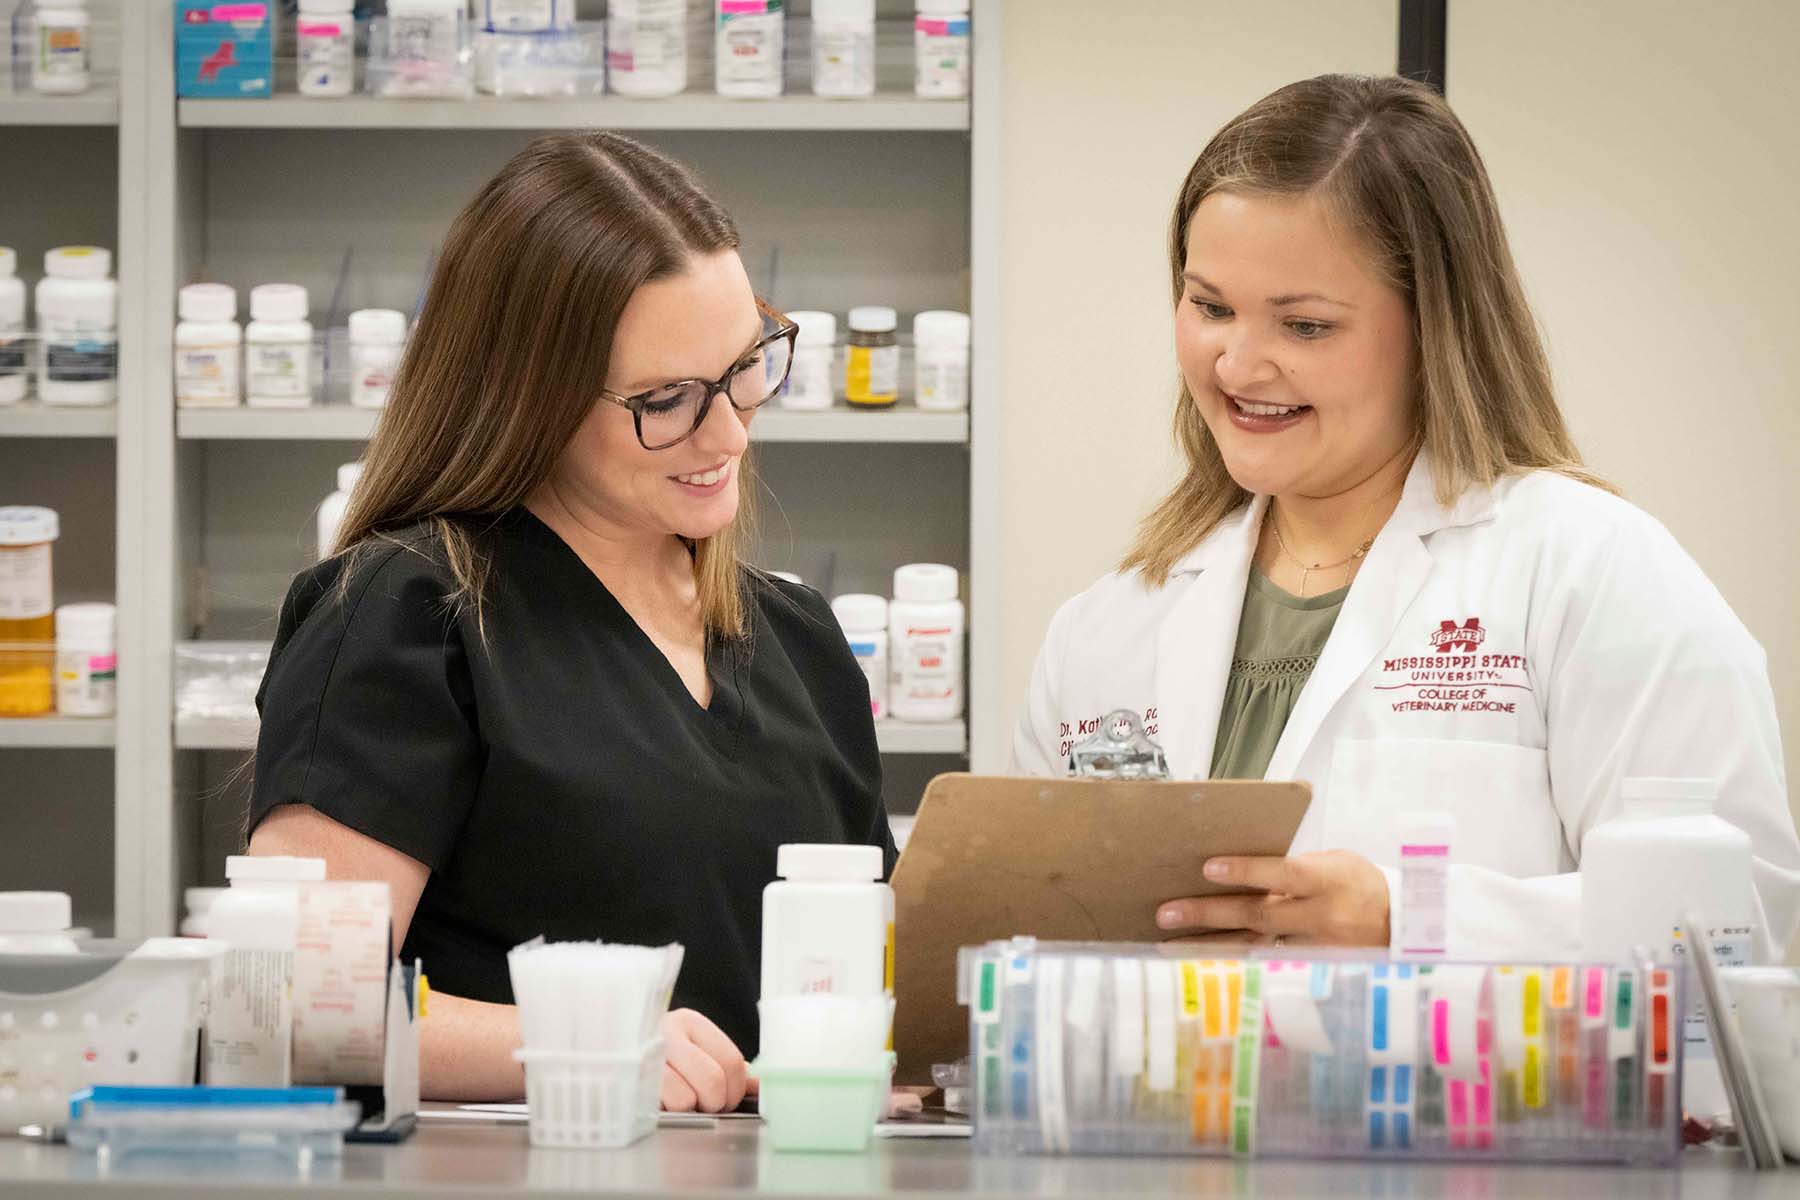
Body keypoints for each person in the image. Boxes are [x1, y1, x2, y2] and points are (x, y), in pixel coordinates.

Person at [1012, 74, 1800, 961]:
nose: (1237, 364)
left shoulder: (1591, 572)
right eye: (1211, 307)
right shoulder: (1107, 628)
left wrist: (1413, 915)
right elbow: (1033, 953)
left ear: (1435, 328)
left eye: (1305, 326)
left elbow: (1735, 925)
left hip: (1481, 1062)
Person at [247, 131, 895, 1108]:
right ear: (528, 398)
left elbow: (866, 977)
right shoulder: (413, 617)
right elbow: (291, 1006)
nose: (729, 431)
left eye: (747, 365)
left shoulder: (801, 642)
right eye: (666, 400)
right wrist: (592, 1037)